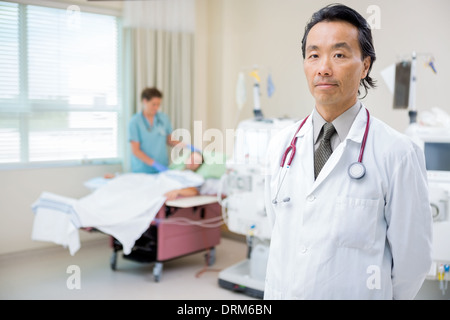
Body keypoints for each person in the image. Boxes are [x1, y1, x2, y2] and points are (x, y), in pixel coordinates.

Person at [264, 4, 432, 300]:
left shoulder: (399, 153)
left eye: (339, 54)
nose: (323, 68)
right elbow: (281, 233)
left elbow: (413, 263)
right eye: (313, 55)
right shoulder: (281, 146)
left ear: (365, 65)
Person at [128, 87, 198, 174]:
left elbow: (169, 140)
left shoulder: (163, 118)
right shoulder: (135, 122)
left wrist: (187, 146)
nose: (156, 107)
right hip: (142, 169)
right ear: (145, 101)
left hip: (162, 167)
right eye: (153, 104)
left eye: (158, 104)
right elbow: (135, 151)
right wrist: (154, 163)